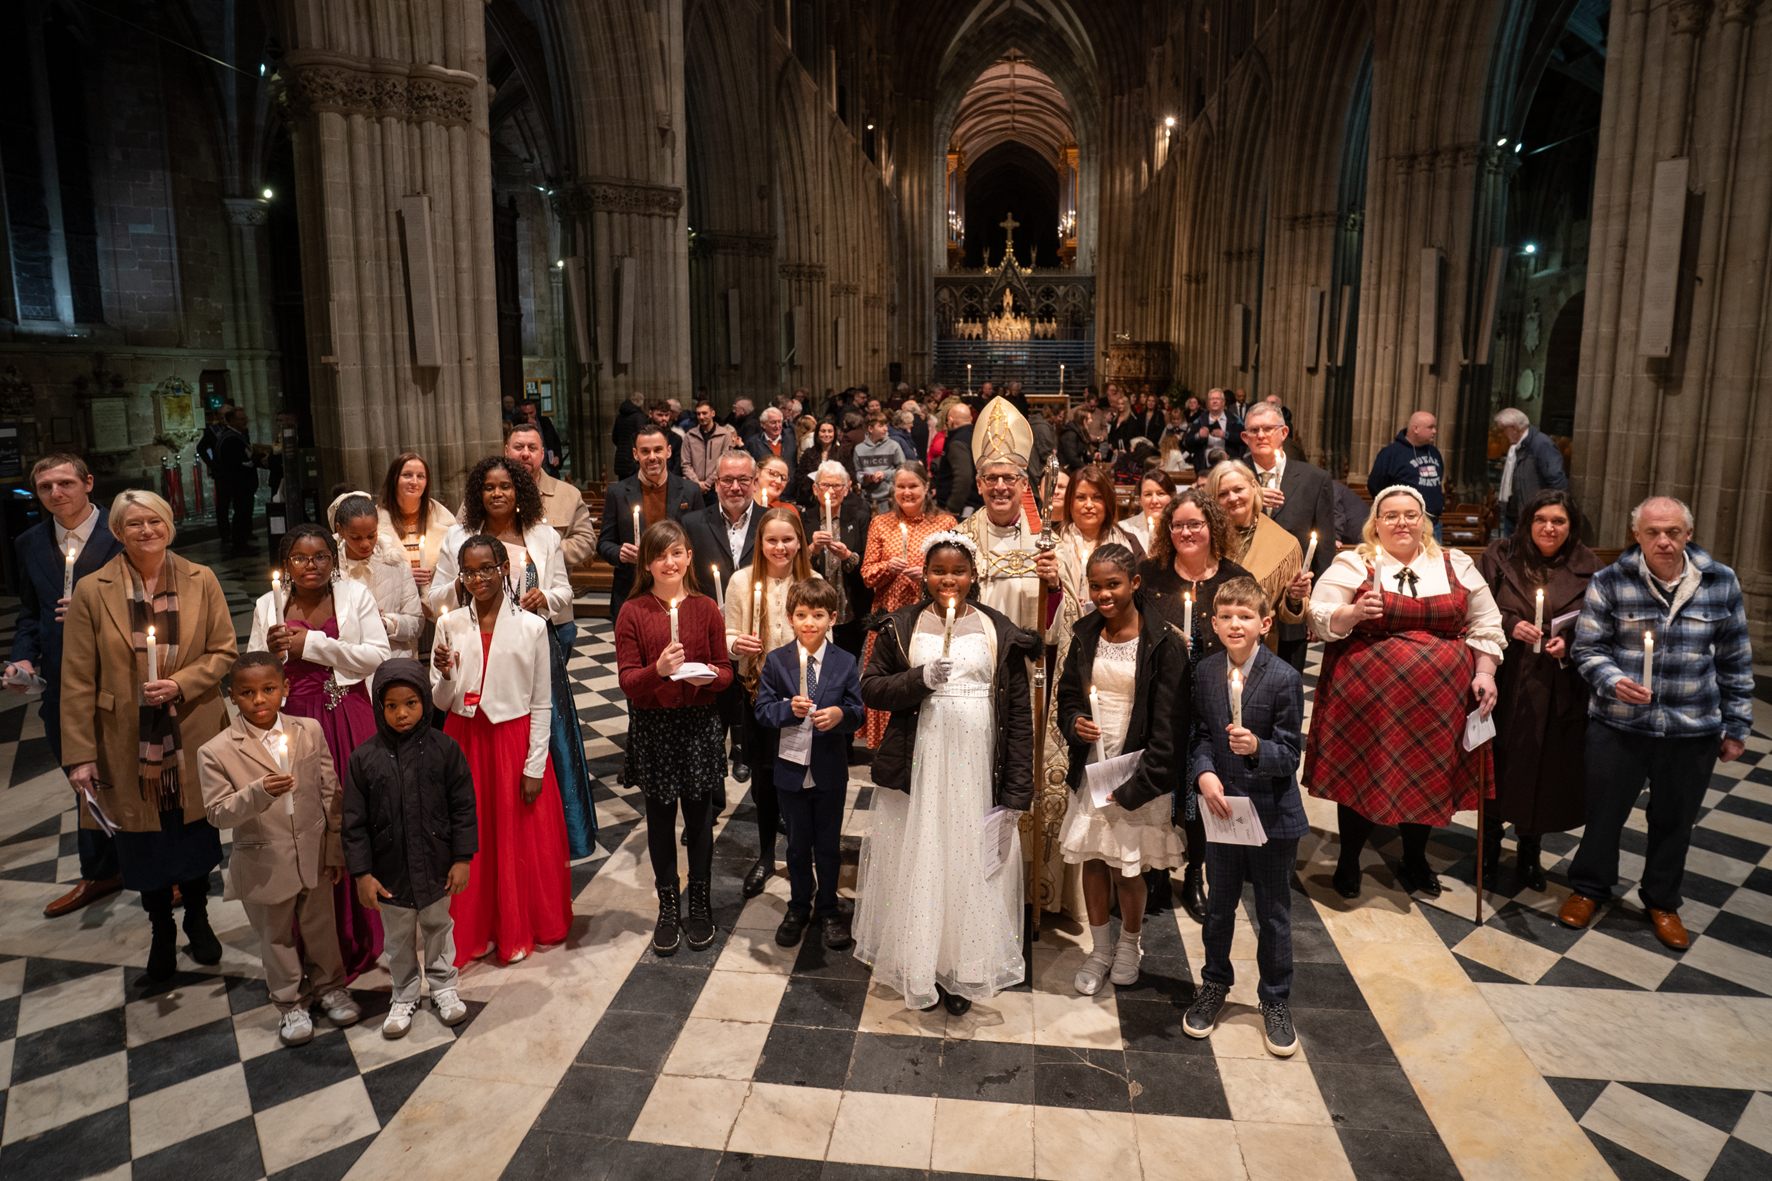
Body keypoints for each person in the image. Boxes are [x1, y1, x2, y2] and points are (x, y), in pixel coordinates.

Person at [856, 532, 1038, 1015]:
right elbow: (871, 689)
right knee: (923, 856)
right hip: (922, 760)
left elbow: (1018, 714)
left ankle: (965, 967)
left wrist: (1018, 788)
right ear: (925, 574)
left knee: (969, 858)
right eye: (939, 571)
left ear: (973, 575)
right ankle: (922, 963)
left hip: (978, 764)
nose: (948, 579)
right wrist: (919, 680)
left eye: (958, 571)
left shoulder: (998, 629)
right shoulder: (903, 625)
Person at [1559, 497, 1753, 950]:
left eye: (1672, 532)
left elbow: (1735, 660)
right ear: (1637, 536)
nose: (1663, 541)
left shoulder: (1720, 582)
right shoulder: (1611, 581)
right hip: (1620, 724)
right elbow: (1587, 649)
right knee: (1604, 815)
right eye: (1652, 533)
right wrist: (1613, 681)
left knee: (1675, 821)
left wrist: (1737, 726)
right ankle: (1589, 888)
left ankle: (1662, 900)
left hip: (1692, 726)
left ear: (1688, 533)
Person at [61, 490, 238, 981]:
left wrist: (181, 682)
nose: (146, 531)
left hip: (193, 730)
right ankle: (161, 930)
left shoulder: (201, 579)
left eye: (154, 521)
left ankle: (199, 919)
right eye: (134, 524)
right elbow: (76, 680)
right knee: (144, 843)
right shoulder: (93, 591)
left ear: (169, 524)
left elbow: (224, 652)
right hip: (125, 738)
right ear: (118, 531)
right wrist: (80, 756)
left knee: (194, 835)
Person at [1303, 486, 1503, 900]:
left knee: (1425, 779)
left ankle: (1415, 859)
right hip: (1366, 701)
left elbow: (1486, 623)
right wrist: (1354, 612)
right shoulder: (1353, 562)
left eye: (1410, 515)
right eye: (1390, 516)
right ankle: (1349, 860)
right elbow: (1319, 615)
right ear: (1376, 523)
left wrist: (1486, 673)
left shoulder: (1454, 563)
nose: (1401, 523)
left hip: (1439, 703)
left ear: (1424, 520)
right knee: (1361, 776)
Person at [1171, 577, 1308, 1056]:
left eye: (1245, 616)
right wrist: (1204, 774)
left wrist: (1258, 749)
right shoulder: (1206, 672)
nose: (1235, 623)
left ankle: (1274, 999)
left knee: (1273, 914)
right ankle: (1214, 984)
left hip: (1271, 815)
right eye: (1226, 615)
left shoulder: (1284, 678)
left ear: (1265, 624)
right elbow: (1201, 735)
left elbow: (1291, 753)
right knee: (1220, 906)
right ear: (1212, 623)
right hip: (1224, 810)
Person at [431, 457, 594, 858]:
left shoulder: (542, 536)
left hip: (530, 642)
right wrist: (465, 580)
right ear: (478, 493)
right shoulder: (457, 537)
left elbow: (564, 591)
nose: (498, 493)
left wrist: (546, 598)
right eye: (489, 487)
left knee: (544, 725)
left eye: (506, 486)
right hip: (474, 644)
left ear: (520, 491)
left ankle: (554, 832)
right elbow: (433, 598)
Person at [251, 523, 392, 979]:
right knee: (303, 822)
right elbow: (254, 672)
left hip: (345, 713)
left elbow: (377, 655)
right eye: (298, 558)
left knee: (351, 816)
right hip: (293, 722)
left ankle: (364, 931)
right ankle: (314, 936)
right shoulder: (266, 606)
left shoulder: (355, 596)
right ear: (286, 563)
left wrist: (311, 643)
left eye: (320, 557)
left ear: (334, 561)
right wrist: (273, 656)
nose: (309, 566)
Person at [197, 653, 359, 1044]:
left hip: (314, 853)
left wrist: (334, 848)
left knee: (320, 927)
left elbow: (329, 790)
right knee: (275, 936)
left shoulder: (309, 730)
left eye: (269, 689)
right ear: (231, 696)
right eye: (247, 693)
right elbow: (217, 813)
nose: (259, 699)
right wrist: (256, 793)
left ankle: (329, 986)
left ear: (285, 688)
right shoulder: (216, 751)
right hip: (263, 860)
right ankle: (290, 1004)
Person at [430, 535, 572, 965]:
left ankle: (513, 924)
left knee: (514, 837)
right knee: (472, 835)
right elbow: (440, 701)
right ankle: (475, 927)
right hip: (465, 741)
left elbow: (542, 702)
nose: (478, 579)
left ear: (503, 568)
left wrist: (534, 766)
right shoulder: (450, 625)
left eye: (486, 569)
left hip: (513, 741)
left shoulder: (531, 627)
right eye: (469, 571)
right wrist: (446, 674)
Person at [1054, 545, 1188, 995]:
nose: (1103, 594)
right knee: (1094, 858)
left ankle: (1130, 945)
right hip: (1094, 764)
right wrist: (1075, 722)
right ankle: (1100, 948)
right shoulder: (1085, 632)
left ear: (1135, 583)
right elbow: (1068, 695)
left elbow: (1170, 726)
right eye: (1095, 585)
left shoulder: (1165, 642)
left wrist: (1138, 787)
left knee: (1128, 867)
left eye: (1113, 584)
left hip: (1137, 767)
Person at [7, 455, 126, 917]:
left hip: (120, 673)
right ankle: (101, 871)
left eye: (65, 483)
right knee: (83, 776)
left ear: (88, 483)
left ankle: (159, 869)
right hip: (62, 680)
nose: (56, 493)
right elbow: (30, 613)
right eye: (45, 487)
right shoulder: (29, 543)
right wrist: (23, 656)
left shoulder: (122, 532)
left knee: (138, 772)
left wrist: (97, 607)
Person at [615, 522, 733, 956]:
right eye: (661, 555)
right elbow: (629, 682)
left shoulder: (705, 609)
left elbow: (724, 670)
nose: (671, 562)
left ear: (688, 558)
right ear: (648, 563)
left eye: (678, 553)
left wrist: (707, 676)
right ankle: (668, 904)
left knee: (700, 820)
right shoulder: (633, 612)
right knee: (662, 821)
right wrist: (659, 671)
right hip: (655, 727)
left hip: (699, 724)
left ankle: (699, 903)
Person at [1138, 488, 1254, 921]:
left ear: (1212, 528)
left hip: (1212, 701)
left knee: (1201, 792)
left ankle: (1193, 876)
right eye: (1179, 525)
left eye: (1196, 524)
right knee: (1160, 790)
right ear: (1169, 531)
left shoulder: (1234, 578)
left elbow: (1249, 633)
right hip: (1158, 699)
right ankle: (1153, 874)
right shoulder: (1148, 574)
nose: (1186, 532)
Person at [343, 660, 475, 1037]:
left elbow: (464, 806)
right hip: (389, 872)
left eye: (411, 703)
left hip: (436, 865)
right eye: (391, 706)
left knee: (438, 927)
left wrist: (463, 858)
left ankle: (444, 985)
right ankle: (403, 992)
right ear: (378, 707)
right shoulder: (363, 758)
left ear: (426, 703)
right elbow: (353, 823)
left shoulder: (445, 749)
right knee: (398, 937)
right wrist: (362, 873)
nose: (402, 714)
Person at [1477, 490, 1600, 891]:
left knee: (1547, 770)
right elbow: (1475, 604)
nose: (1549, 528)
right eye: (1541, 519)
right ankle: (1488, 849)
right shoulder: (1501, 555)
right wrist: (1511, 622)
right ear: (1528, 522)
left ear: (1572, 526)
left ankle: (1531, 851)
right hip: (1506, 677)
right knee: (1498, 762)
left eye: (1559, 521)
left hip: (1558, 684)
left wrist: (1571, 642)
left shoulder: (1590, 568)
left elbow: (1604, 622)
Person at [754, 578, 865, 949]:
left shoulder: (845, 661)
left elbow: (857, 711)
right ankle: (799, 905)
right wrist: (787, 709)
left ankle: (829, 909)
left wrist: (838, 715)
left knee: (828, 846)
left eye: (818, 615)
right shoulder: (777, 660)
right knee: (799, 846)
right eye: (801, 615)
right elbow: (763, 711)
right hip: (791, 771)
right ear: (789, 618)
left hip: (830, 770)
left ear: (832, 618)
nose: (809, 623)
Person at [724, 508, 819, 898]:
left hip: (802, 696)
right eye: (771, 540)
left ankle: (801, 853)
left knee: (800, 779)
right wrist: (736, 643)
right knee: (764, 777)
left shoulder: (812, 581)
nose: (779, 547)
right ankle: (765, 855)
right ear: (759, 543)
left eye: (787, 539)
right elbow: (728, 631)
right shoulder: (742, 581)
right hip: (758, 691)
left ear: (800, 542)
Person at [858, 464, 958, 749]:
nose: (906, 492)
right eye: (901, 486)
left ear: (927, 488)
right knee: (890, 681)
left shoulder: (945, 524)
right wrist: (888, 567)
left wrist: (927, 576)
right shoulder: (881, 523)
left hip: (929, 615)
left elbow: (956, 573)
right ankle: (888, 750)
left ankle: (931, 744)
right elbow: (867, 575)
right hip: (889, 616)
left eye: (913, 486)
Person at [682, 452, 762, 782]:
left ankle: (765, 803)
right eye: (727, 480)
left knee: (760, 722)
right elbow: (684, 580)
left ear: (755, 483)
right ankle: (709, 807)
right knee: (711, 725)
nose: (735, 487)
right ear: (715, 484)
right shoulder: (693, 523)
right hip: (708, 637)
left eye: (743, 480)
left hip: (758, 638)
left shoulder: (771, 522)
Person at [1239, 401, 1336, 668]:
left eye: (1268, 428)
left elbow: (1325, 546)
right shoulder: (1232, 477)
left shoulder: (1313, 478)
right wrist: (1253, 497)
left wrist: (1319, 606)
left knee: (1286, 689)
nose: (1261, 435)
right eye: (1254, 430)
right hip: (1239, 603)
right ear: (1244, 437)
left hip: (1291, 602)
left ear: (1283, 432)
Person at [595, 424, 707, 613]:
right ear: (635, 454)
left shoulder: (690, 491)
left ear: (668, 451)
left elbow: (701, 541)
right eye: (645, 451)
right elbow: (604, 543)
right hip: (632, 588)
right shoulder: (618, 492)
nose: (652, 457)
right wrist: (619, 553)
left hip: (679, 588)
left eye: (658, 450)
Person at [957, 398, 1047, 632]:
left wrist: (1055, 587)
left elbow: (1064, 619)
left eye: (1009, 478)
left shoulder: (1047, 545)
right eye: (991, 478)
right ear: (979, 485)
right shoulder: (959, 542)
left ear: (1025, 484)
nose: (1000, 487)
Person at [1205, 461, 1310, 654]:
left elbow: (1291, 617)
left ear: (1254, 487)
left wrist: (1294, 597)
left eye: (1238, 489)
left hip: (1258, 649)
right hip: (1207, 645)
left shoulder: (1285, 544)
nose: (1232, 498)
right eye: (1223, 494)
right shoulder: (1205, 537)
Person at [377, 453, 458, 649]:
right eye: (407, 475)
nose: (414, 481)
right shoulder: (377, 520)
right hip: (396, 618)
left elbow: (455, 567)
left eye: (420, 476)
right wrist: (402, 575)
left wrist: (429, 606)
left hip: (435, 613)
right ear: (394, 478)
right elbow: (370, 568)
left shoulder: (444, 520)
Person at [331, 493, 424, 660]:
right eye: (356, 537)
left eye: (371, 535)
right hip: (351, 662)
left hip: (393, 661)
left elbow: (416, 623)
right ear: (340, 530)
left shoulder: (395, 564)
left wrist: (387, 624)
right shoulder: (332, 570)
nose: (365, 544)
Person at [505, 421, 595, 573]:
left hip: (552, 590)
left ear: (542, 454)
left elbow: (586, 542)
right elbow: (460, 536)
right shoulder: (487, 493)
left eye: (532, 448)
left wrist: (543, 552)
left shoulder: (568, 494)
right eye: (518, 447)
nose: (525, 454)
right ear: (506, 451)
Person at [807, 460, 871, 663]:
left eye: (837, 486)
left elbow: (868, 565)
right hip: (813, 611)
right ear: (815, 488)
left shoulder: (859, 518)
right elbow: (797, 567)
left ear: (846, 489)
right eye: (825, 485)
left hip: (851, 610)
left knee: (848, 665)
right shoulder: (804, 520)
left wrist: (847, 556)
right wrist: (813, 550)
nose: (831, 491)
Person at [1366, 411, 1446, 542]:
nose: (1435, 431)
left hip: (1433, 524)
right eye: (1430, 427)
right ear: (1416, 428)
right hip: (1404, 525)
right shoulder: (1391, 454)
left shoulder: (1434, 452)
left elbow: (1439, 477)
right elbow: (1374, 485)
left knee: (1434, 561)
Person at [1495, 407, 1568, 538]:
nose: (1501, 435)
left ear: (1514, 428)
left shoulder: (1542, 445)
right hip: (1513, 513)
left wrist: (1549, 515)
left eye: (1502, 430)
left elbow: (1557, 483)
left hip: (1531, 516)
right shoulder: (1517, 446)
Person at [215, 405, 266, 557]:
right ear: (231, 420)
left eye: (245, 418)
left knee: (244, 514)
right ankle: (240, 546)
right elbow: (241, 463)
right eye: (241, 419)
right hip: (239, 485)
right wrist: (258, 459)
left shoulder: (236, 435)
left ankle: (242, 544)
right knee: (242, 515)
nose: (245, 421)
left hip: (242, 484)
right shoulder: (231, 439)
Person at [852, 410, 907, 512]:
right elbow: (858, 472)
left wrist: (884, 474)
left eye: (886, 425)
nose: (886, 429)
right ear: (870, 429)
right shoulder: (859, 449)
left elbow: (902, 470)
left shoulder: (893, 446)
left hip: (889, 498)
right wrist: (866, 478)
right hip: (867, 498)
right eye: (881, 426)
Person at [682, 400, 740, 496]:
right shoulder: (689, 436)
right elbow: (685, 464)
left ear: (713, 413)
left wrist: (708, 482)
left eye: (704, 413)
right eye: (698, 414)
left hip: (715, 488)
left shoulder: (724, 435)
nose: (701, 417)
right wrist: (697, 484)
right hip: (694, 487)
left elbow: (724, 462)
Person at [936, 404, 983, 519]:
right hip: (976, 502)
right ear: (971, 419)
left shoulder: (958, 443)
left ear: (951, 421)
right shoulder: (977, 437)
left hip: (963, 508)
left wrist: (953, 507)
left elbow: (964, 477)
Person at [1118, 470, 1177, 552]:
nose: (1154, 501)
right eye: (1148, 494)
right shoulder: (1124, 529)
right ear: (1140, 500)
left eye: (1161, 493)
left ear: (1171, 497)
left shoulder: (1180, 528)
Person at [795, 419, 849, 504]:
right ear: (817, 434)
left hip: (836, 497)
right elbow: (799, 475)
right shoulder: (809, 453)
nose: (826, 434)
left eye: (830, 431)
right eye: (823, 431)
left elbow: (850, 475)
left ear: (834, 434)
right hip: (812, 498)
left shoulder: (843, 453)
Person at [1187, 389, 1242, 470]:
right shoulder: (1200, 420)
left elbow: (1244, 438)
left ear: (1223, 402)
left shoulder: (1234, 419)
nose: (1214, 401)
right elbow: (1187, 441)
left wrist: (1226, 435)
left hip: (1228, 466)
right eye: (1212, 399)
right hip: (1204, 467)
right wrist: (1198, 435)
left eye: (1217, 399)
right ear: (1208, 402)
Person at [612, 391, 648, 480]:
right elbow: (642, 438)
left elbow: (614, 438)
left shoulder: (619, 417)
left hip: (620, 459)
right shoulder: (640, 417)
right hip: (633, 461)